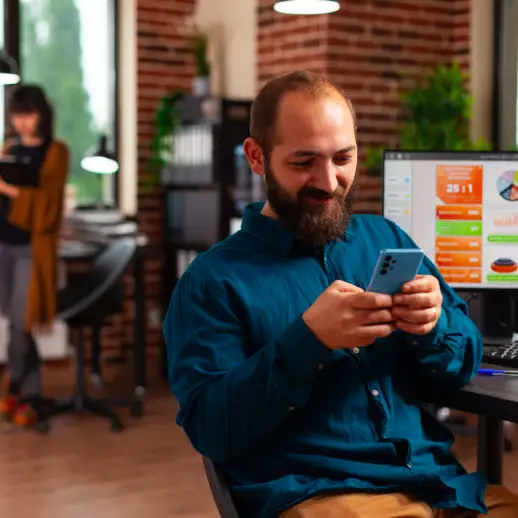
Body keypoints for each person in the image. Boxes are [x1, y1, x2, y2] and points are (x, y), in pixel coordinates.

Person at [163, 71, 518, 518]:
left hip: (444, 487)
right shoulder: (211, 282)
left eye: (342, 158)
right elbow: (211, 428)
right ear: (256, 157)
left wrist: (434, 326)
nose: (328, 182)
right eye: (303, 162)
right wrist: (308, 340)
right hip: (323, 495)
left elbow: (463, 360)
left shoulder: (385, 238)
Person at [0, 84, 69, 428]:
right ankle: (30, 391)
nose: (23, 122)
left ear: (42, 114)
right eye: (17, 115)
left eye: (29, 115)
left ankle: (15, 389)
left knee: (19, 322)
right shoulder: (8, 148)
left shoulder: (56, 152)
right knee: (15, 324)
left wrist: (9, 189)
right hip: (4, 245)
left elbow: (48, 207)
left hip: (32, 248)